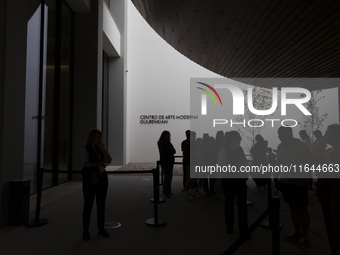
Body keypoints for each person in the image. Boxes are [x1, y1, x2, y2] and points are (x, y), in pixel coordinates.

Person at [276, 126, 311, 245]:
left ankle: (305, 236)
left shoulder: (301, 146)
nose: (279, 136)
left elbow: (308, 163)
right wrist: (277, 179)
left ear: (289, 134)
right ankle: (297, 232)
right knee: (293, 208)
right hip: (286, 182)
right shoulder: (280, 147)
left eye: (280, 134)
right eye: (278, 134)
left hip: (299, 182)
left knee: (302, 209)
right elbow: (279, 163)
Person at [81, 129, 112, 241]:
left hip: (102, 178)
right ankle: (85, 231)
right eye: (98, 137)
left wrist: (103, 149)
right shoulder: (86, 149)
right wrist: (100, 162)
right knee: (88, 205)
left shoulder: (101, 149)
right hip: (90, 179)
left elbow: (109, 160)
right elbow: (87, 164)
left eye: (101, 137)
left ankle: (101, 228)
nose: (100, 139)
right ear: (92, 138)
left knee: (101, 205)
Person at [316, 124, 340, 255]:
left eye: (328, 133)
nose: (325, 135)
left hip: (335, 191)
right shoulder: (329, 152)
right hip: (326, 193)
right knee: (331, 225)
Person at [221, 131, 249, 237]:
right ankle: (230, 226)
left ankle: (243, 229)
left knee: (242, 205)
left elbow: (245, 164)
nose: (241, 139)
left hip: (239, 180)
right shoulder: (224, 150)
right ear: (233, 138)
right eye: (239, 137)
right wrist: (239, 165)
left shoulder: (239, 149)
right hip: (229, 181)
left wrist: (236, 165)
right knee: (229, 204)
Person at [158, 130, 176, 198]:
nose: (167, 136)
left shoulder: (169, 143)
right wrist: (170, 151)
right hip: (165, 162)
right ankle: (165, 191)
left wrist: (169, 151)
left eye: (168, 135)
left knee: (170, 176)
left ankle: (168, 191)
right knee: (167, 176)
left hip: (170, 161)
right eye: (166, 135)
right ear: (163, 135)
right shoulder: (160, 143)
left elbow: (174, 151)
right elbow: (163, 152)